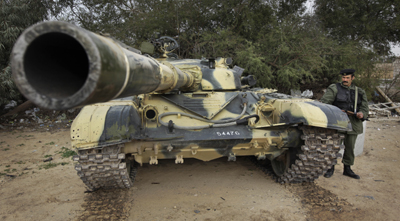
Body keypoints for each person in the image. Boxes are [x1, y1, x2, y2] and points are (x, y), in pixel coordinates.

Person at [321, 69, 369, 179]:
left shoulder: (359, 92)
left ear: (353, 78)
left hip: (353, 122)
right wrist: (336, 111)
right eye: (343, 78)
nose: (345, 80)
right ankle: (330, 167)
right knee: (333, 146)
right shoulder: (334, 88)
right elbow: (325, 103)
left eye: (347, 78)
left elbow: (365, 107)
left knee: (350, 147)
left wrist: (362, 113)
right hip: (338, 122)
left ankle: (347, 169)